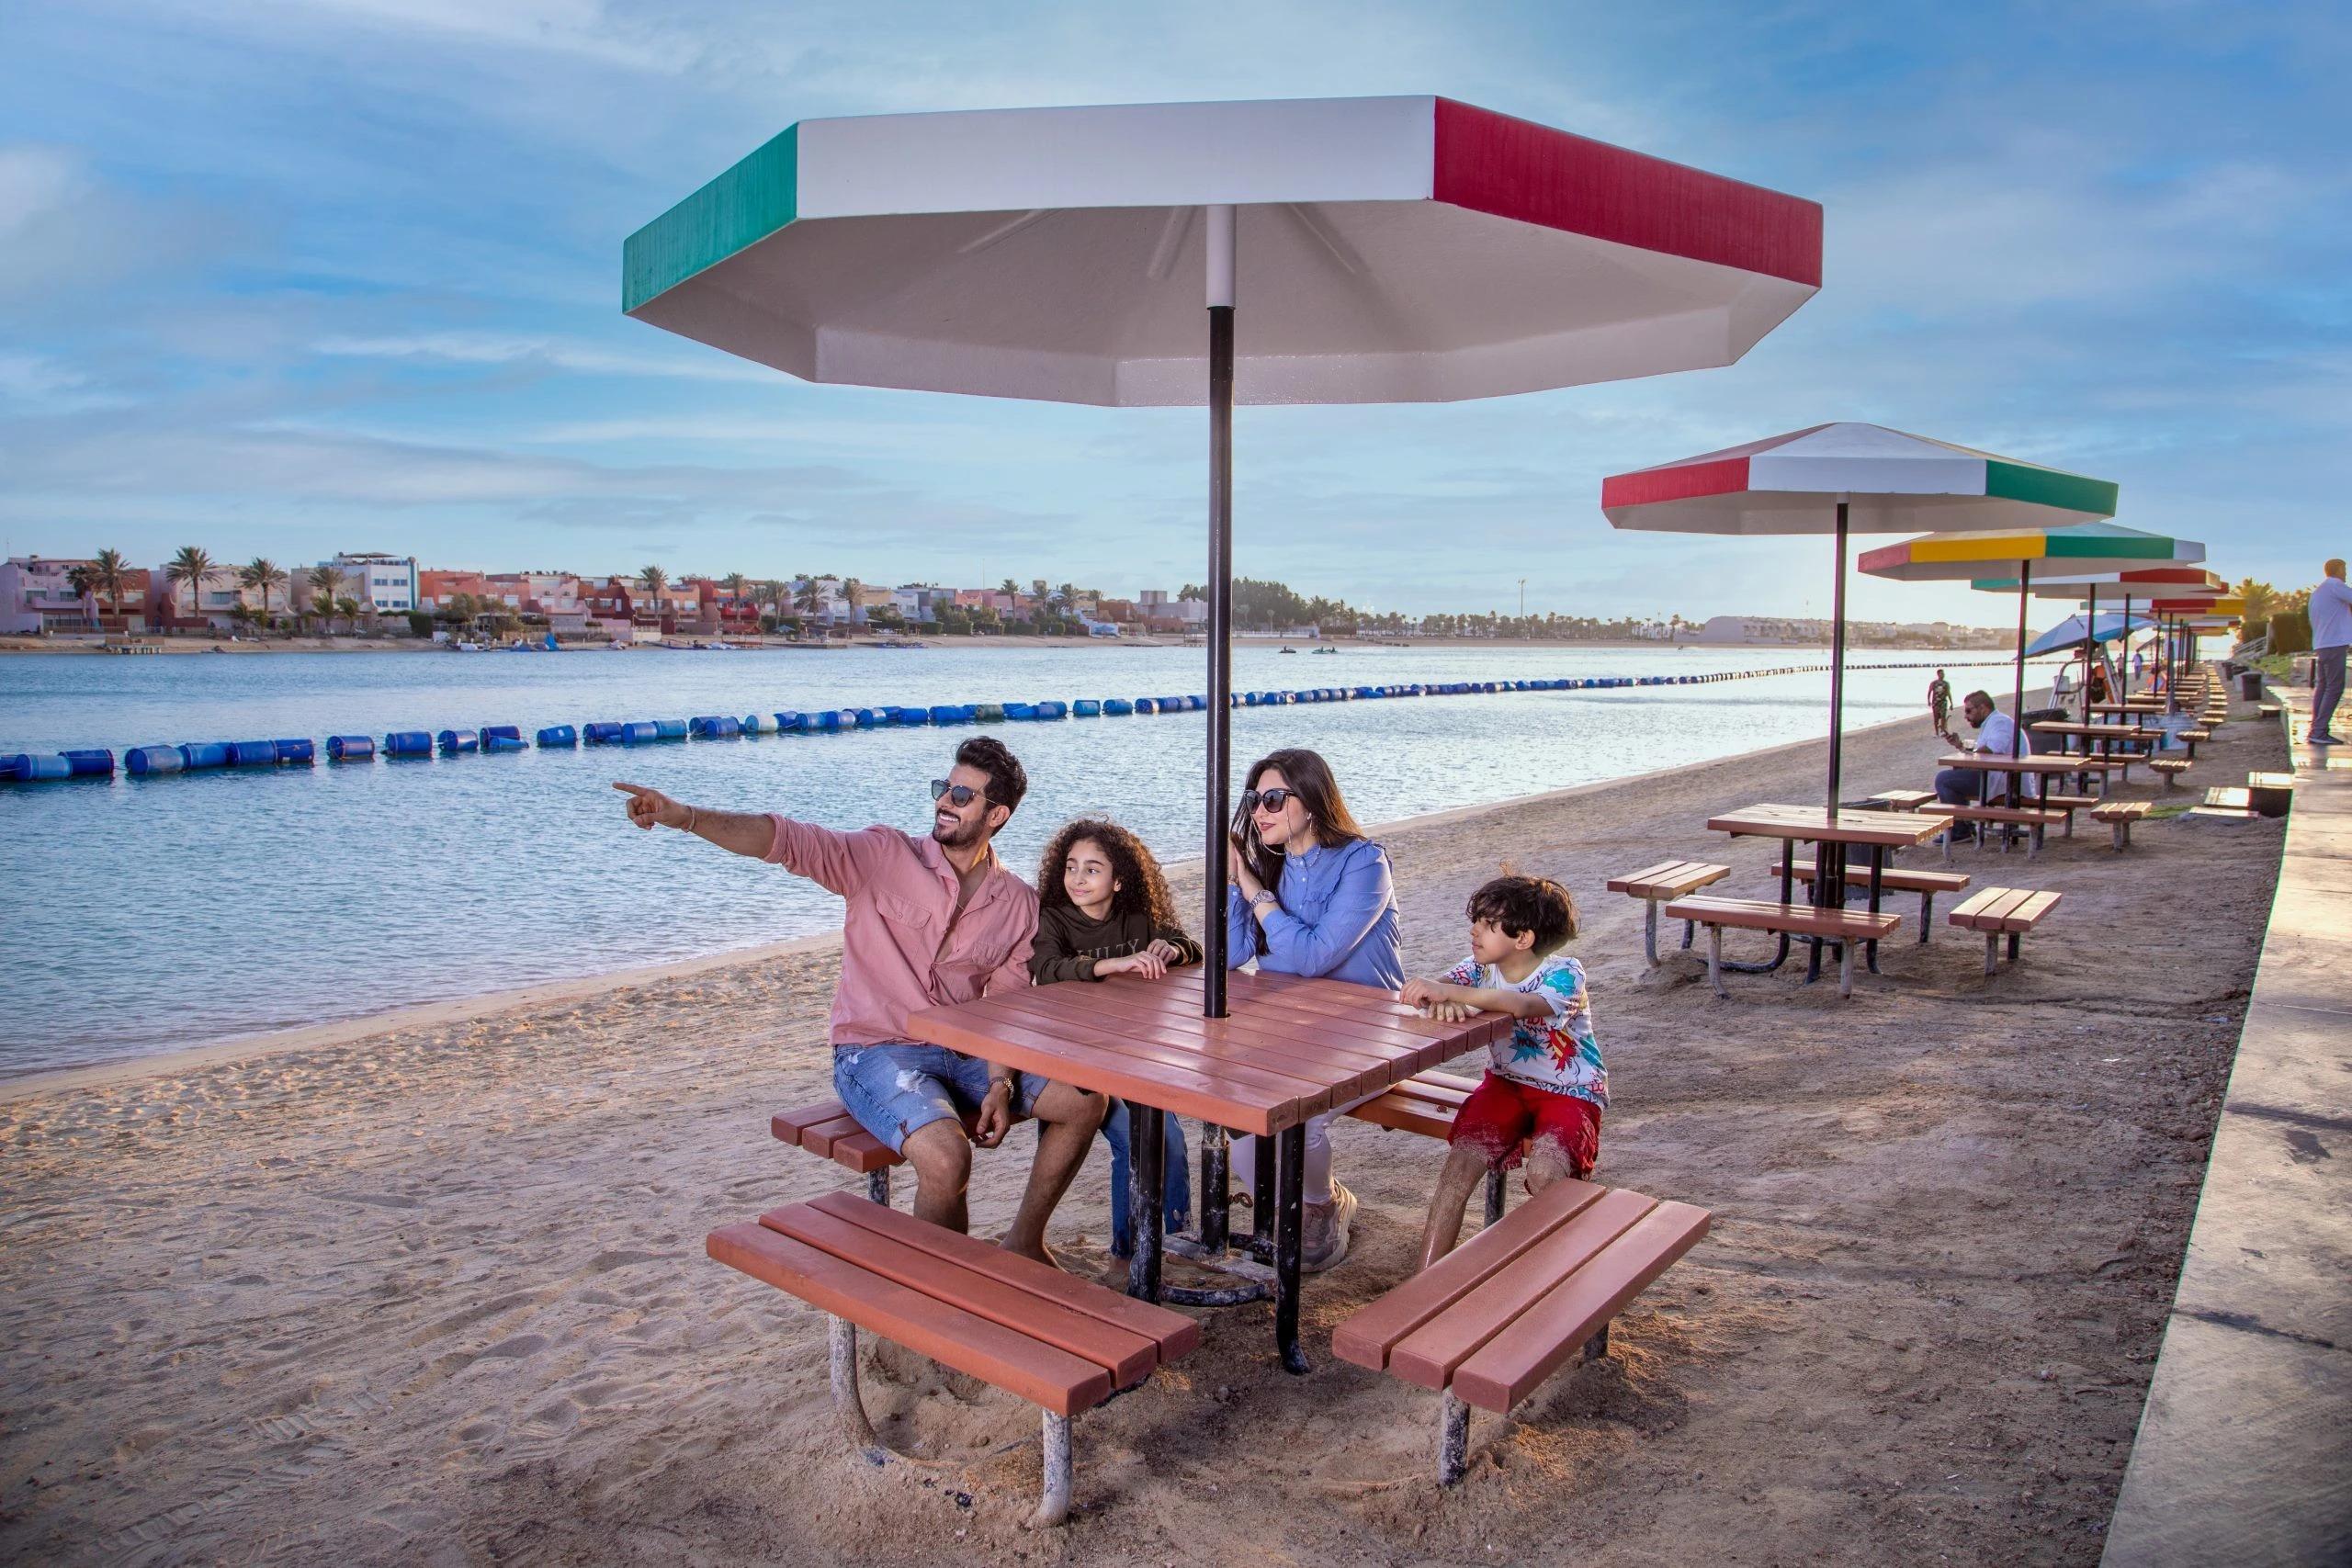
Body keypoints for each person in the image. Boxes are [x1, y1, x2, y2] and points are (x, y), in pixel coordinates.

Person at [612, 738, 1105, 1264]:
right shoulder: (883, 855)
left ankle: (1025, 1243)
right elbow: (784, 839)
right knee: (945, 1157)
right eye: (943, 788)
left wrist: (1000, 1083)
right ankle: (938, 1299)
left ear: (997, 814)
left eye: (961, 795)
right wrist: (685, 816)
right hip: (874, 1051)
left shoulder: (1019, 904)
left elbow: (1004, 1007)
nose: (943, 801)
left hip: (964, 1052)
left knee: (1084, 1100)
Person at [1225, 748, 1403, 1271]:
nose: (1261, 812)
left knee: (1301, 1123)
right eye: (1255, 801)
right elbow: (1235, 956)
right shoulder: (1271, 868)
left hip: (1373, 1034)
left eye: (1274, 799)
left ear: (1312, 800)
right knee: (1238, 1131)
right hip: (1292, 1032)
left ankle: (1323, 1205)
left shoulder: (1365, 862)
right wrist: (1236, 880)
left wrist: (1257, 893)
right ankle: (1290, 1206)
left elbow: (1312, 957)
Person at [1401, 875, 1604, 1270]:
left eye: (1488, 923)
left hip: (1571, 1091)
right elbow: (1439, 987)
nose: (1474, 930)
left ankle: (1554, 1273)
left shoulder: (1565, 973)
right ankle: (1423, 1279)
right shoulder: (1479, 969)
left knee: (1548, 1172)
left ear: (1523, 938)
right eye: (1476, 920)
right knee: (1458, 1168)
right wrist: (1439, 996)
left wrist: (1455, 996)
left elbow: (1523, 1005)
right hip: (1505, 1084)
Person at [1030, 818, 1201, 1258]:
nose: (1078, 879)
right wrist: (1112, 965)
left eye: (1092, 868)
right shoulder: (1055, 920)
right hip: (1078, 1064)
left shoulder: (1138, 922)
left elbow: (1190, 946)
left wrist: (1172, 949)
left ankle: (1175, 1238)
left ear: (1120, 879)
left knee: (1171, 1139)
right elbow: (1046, 971)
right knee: (1134, 1140)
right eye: (1071, 867)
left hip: (1133, 1057)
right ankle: (1129, 1252)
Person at [1935, 689, 2032, 841]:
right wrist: (1960, 746)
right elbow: (1985, 752)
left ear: (1983, 708)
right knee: (1954, 777)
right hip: (2004, 777)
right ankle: (1963, 827)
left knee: (1944, 779)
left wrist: (1970, 755)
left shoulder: (2000, 722)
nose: (1966, 716)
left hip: (2007, 782)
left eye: (1968, 711)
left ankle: (1961, 831)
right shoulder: (1995, 722)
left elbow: (1992, 748)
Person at [2309, 558, 2350, 746]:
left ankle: (2316, 730)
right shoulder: (2336, 585)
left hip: (2322, 644)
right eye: (2345, 569)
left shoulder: (2318, 591)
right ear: (2337, 569)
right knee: (2334, 688)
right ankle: (2319, 731)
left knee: (2324, 687)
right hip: (2334, 644)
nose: (2346, 573)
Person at [1926, 668, 1952, 738]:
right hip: (1935, 703)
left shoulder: (1946, 683)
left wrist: (1951, 703)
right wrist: (1928, 701)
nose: (1942, 675)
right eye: (1941, 674)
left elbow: (1948, 693)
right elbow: (1929, 692)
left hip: (1943, 702)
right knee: (1936, 718)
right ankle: (1936, 732)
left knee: (1943, 717)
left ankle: (1943, 731)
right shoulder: (1934, 683)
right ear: (1938, 674)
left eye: (1943, 674)